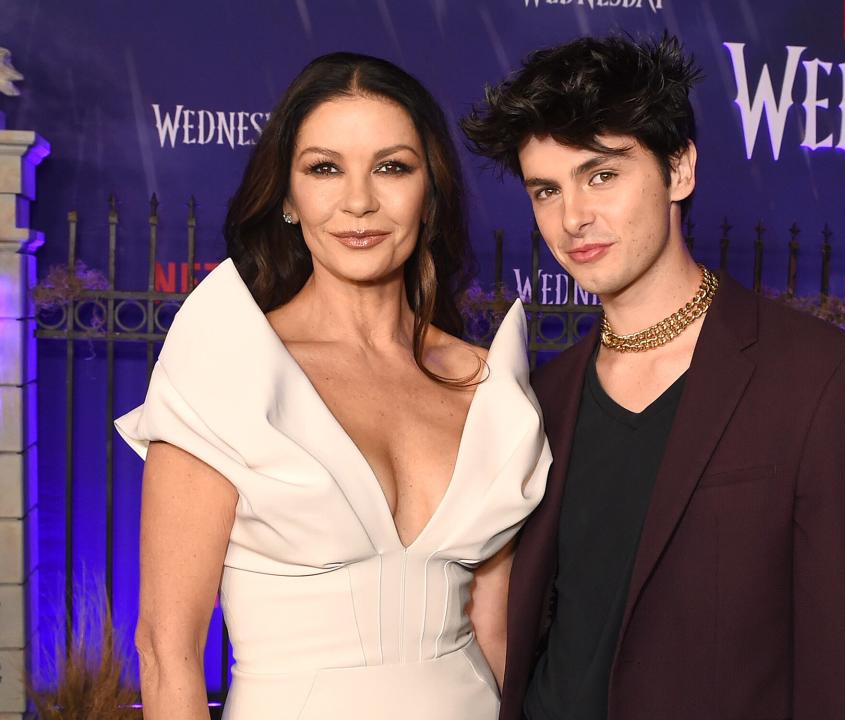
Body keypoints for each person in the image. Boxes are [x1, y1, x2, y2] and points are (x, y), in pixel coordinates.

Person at [461, 34, 845, 720]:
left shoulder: (820, 378)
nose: (573, 217)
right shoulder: (541, 398)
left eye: (602, 174)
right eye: (548, 189)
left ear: (680, 169)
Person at [116, 53, 550, 720]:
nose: (358, 201)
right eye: (325, 168)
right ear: (288, 197)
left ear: (429, 191)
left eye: (392, 167)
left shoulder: (485, 382)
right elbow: (165, 651)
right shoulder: (232, 369)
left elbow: (494, 638)